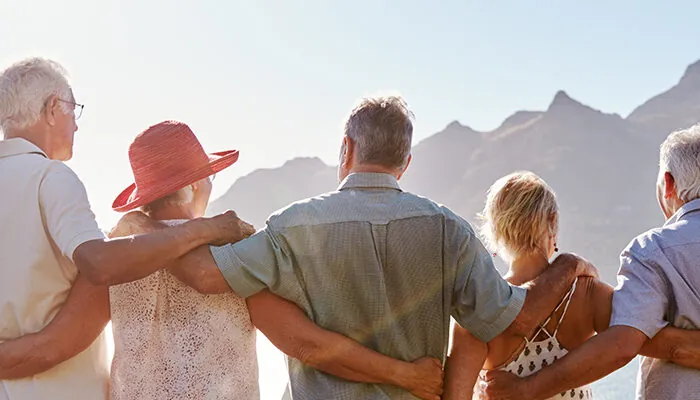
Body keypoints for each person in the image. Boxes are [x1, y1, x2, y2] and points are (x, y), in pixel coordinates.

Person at [124, 95, 598, 399]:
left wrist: (150, 224)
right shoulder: (450, 231)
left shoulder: (293, 226)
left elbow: (207, 276)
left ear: (346, 149)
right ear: (406, 161)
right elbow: (514, 317)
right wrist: (567, 266)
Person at [107, 120, 444, 399]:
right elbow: (306, 344)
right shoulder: (233, 252)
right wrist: (405, 374)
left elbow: (70, 340)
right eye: (209, 176)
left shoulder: (116, 251)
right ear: (195, 184)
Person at [0, 57, 248, 400]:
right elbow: (98, 265)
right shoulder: (50, 177)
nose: (76, 125)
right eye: (74, 109)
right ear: (53, 108)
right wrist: (206, 229)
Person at [481, 125, 700, 400]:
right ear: (552, 223)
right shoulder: (588, 294)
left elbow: (624, 344)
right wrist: (570, 265)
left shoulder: (653, 251)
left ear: (668, 184)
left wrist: (526, 389)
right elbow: (658, 343)